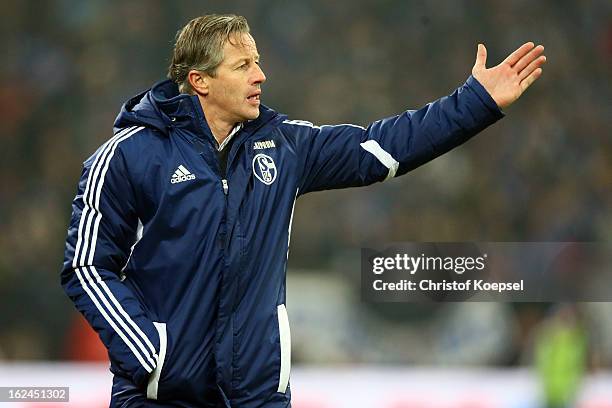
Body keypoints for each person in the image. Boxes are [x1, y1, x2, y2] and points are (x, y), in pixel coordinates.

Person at [60, 14, 546, 408]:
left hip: (258, 398)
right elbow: (86, 264)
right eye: (243, 64)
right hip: (162, 401)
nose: (260, 75)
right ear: (200, 81)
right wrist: (151, 354)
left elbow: (382, 145)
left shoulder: (283, 146)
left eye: (259, 61)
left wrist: (475, 103)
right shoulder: (128, 155)